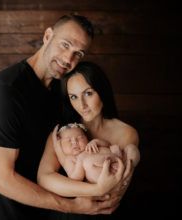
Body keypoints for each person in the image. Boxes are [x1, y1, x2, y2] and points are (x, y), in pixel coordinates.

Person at [0, 14, 122, 220]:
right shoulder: (7, 90)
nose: (68, 59)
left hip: (47, 206)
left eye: (78, 53)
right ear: (47, 36)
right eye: (65, 45)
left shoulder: (63, 89)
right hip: (9, 212)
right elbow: (2, 179)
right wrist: (73, 206)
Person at [38, 61, 140, 219]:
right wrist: (96, 190)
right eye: (74, 97)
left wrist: (103, 191)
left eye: (88, 93)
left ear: (102, 91)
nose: (82, 105)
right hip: (69, 212)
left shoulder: (126, 133)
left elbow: (118, 188)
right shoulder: (63, 133)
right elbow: (44, 178)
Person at [55, 122, 128, 185]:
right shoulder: (70, 159)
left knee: (132, 149)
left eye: (80, 138)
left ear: (87, 139)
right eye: (69, 140)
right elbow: (75, 178)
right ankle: (117, 169)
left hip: (117, 159)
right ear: (61, 146)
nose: (75, 142)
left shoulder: (90, 145)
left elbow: (108, 145)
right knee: (88, 162)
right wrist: (80, 160)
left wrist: (96, 142)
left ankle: (121, 167)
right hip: (103, 174)